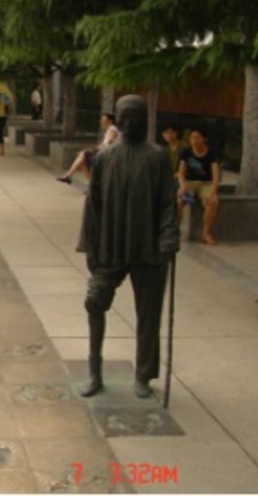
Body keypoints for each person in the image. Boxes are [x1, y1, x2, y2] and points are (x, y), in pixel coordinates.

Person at [76, 95, 180, 399]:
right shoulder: (106, 158)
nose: (131, 122)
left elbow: (167, 202)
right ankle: (95, 370)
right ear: (118, 121)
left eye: (137, 117)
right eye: (126, 117)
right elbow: (92, 205)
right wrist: (91, 245)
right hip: (111, 246)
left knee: (148, 313)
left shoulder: (157, 157)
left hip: (149, 249)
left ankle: (144, 374)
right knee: (94, 301)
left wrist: (169, 236)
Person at [177, 127, 220, 245]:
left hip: (206, 184)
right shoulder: (186, 152)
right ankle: (175, 231)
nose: (194, 141)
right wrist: (182, 185)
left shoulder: (211, 153)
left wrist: (212, 192)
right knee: (180, 201)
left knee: (212, 202)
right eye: (192, 138)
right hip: (190, 183)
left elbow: (216, 175)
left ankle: (206, 233)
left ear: (204, 139)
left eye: (197, 137)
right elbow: (181, 172)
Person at [57, 112, 119, 184]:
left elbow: (108, 144)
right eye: (101, 120)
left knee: (83, 155)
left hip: (107, 155)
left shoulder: (112, 129)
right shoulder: (109, 130)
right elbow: (104, 144)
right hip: (104, 153)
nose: (102, 122)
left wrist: (96, 149)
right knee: (82, 161)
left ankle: (68, 176)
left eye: (104, 120)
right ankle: (90, 184)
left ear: (110, 121)